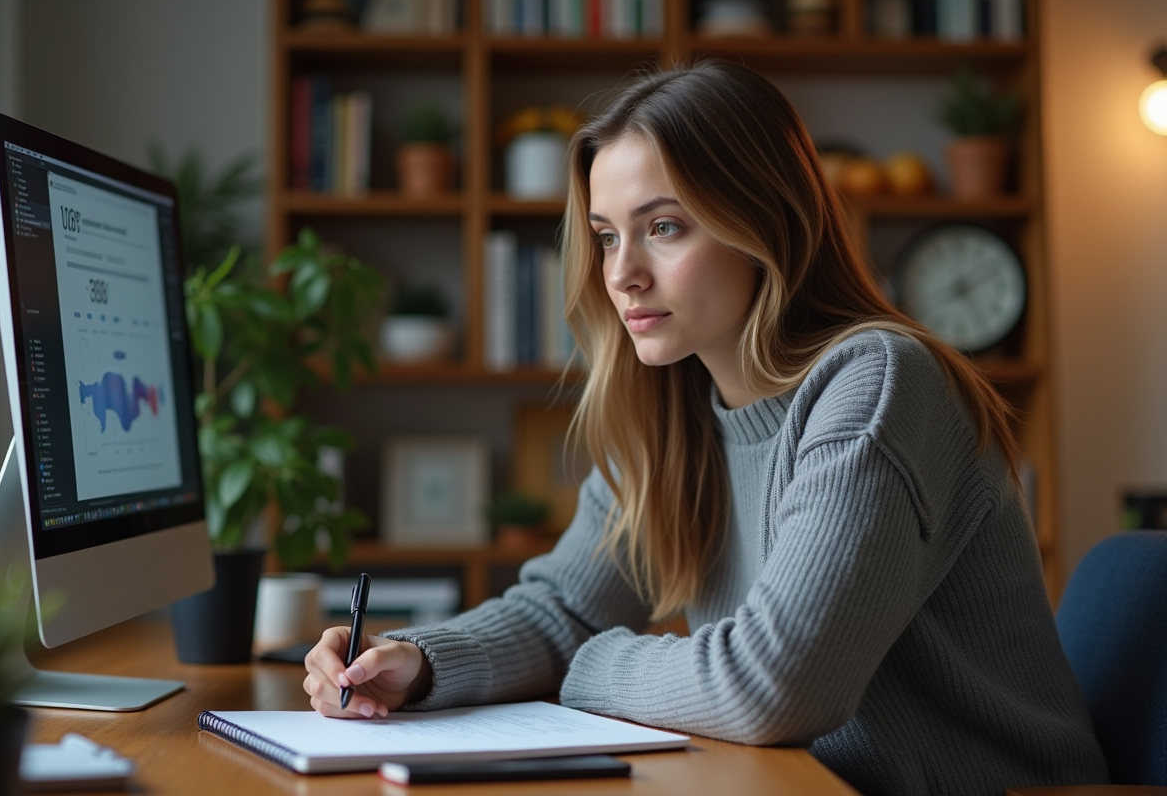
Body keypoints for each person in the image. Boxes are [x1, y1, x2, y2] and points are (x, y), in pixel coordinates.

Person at [304, 60, 1108, 795]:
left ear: (765, 220)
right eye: (608, 235)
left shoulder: (877, 381)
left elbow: (772, 685)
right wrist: (414, 663)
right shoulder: (673, 409)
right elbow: (565, 609)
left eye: (665, 226)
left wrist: (584, 666)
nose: (621, 274)